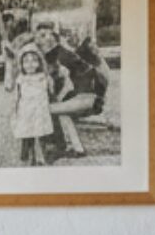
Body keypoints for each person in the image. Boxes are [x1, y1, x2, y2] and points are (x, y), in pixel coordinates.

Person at [33, 21, 107, 158]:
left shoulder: (60, 56)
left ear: (53, 37)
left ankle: (54, 147)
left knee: (46, 108)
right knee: (61, 110)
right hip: (93, 97)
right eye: (39, 36)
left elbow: (66, 82)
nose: (40, 40)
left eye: (44, 35)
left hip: (87, 98)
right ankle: (77, 148)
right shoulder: (63, 53)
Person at [11, 46, 54, 165]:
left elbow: (50, 93)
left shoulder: (43, 78)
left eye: (34, 61)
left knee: (40, 133)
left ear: (40, 63)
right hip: (26, 110)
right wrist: (15, 111)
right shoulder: (21, 79)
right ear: (21, 64)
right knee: (27, 132)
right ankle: (29, 155)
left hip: (40, 110)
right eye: (26, 61)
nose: (30, 64)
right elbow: (17, 96)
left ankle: (42, 156)